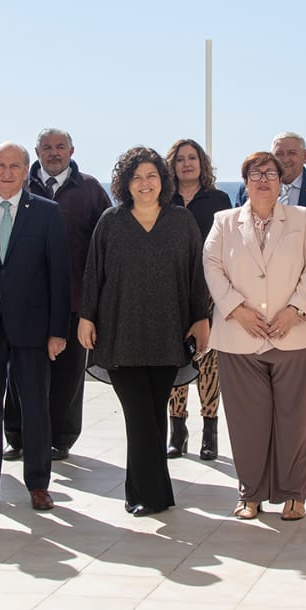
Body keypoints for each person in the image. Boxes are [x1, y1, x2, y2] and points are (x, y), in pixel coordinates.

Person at [80, 147, 210, 517]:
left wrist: (201, 318)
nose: (145, 183)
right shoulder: (111, 221)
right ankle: (152, 495)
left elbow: (195, 276)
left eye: (152, 176)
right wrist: (86, 316)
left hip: (168, 333)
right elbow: (94, 272)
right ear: (126, 183)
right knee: (139, 417)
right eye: (136, 177)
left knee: (153, 414)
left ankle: (143, 492)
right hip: (121, 333)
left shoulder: (181, 222)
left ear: (163, 181)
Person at [207, 150, 306, 521]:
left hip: (294, 334)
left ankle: (294, 494)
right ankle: (251, 493)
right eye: (255, 174)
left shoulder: (301, 218)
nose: (263, 180)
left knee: (296, 419)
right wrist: (237, 310)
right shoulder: (224, 221)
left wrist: (295, 310)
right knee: (247, 421)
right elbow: (211, 265)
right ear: (245, 182)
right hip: (239, 336)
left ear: (281, 182)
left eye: (271, 174)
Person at [0, 142, 71, 511]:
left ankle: (38, 484)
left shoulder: (47, 213)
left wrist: (58, 331)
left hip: (33, 328)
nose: (7, 172)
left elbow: (59, 275)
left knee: (35, 406)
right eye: (0, 165)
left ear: (27, 171)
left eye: (15, 166)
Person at [237, 132, 306, 469]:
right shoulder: (250, 188)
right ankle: (274, 442)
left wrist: (300, 288)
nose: (285, 158)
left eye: (292, 152)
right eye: (279, 153)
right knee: (265, 370)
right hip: (260, 304)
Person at [9, 127, 111, 461]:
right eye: (47, 147)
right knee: (21, 373)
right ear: (36, 151)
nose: (54, 153)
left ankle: (60, 438)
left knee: (67, 376)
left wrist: (97, 302)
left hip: (73, 300)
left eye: (60, 147)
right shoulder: (20, 185)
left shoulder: (91, 190)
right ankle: (18, 436)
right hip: (25, 302)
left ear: (71, 150)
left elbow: (105, 244)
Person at [165, 137, 232, 460]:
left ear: (202, 164)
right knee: (175, 360)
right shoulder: (165, 199)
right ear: (172, 166)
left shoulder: (218, 199)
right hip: (170, 292)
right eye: (180, 159)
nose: (187, 163)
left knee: (208, 363)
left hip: (209, 292)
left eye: (192, 158)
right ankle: (177, 432)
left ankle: (210, 432)